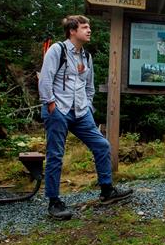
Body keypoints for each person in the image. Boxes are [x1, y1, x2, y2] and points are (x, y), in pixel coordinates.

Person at [38, 15, 132, 220]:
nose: (89, 30)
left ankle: (107, 190)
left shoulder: (86, 56)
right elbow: (45, 78)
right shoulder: (57, 50)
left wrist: (88, 106)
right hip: (58, 110)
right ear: (72, 31)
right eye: (84, 27)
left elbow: (89, 85)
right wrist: (51, 104)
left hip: (81, 111)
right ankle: (54, 201)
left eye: (89, 27)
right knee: (55, 155)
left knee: (102, 145)